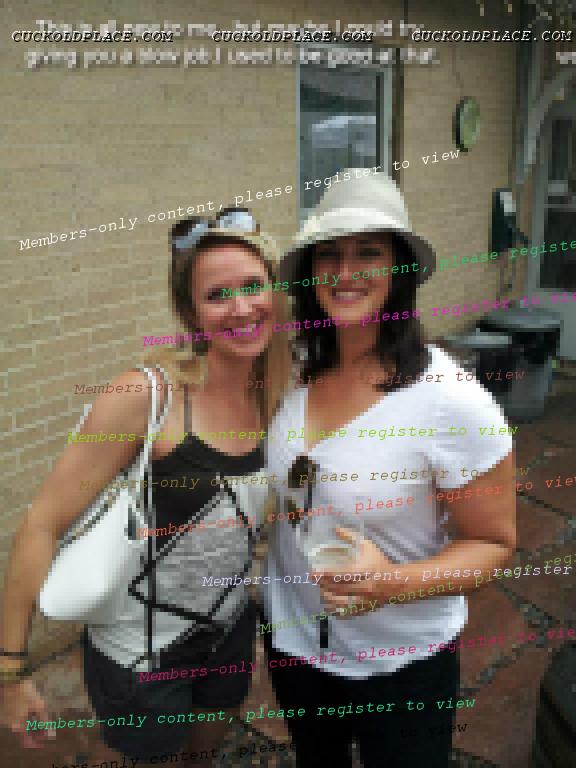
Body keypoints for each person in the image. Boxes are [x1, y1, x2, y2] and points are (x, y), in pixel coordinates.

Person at [0, 209, 291, 765]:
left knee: (204, 751)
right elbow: (42, 522)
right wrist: (10, 672)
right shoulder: (146, 396)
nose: (241, 308)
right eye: (217, 295)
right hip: (141, 655)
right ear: (190, 312)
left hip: (228, 633)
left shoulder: (275, 393)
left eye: (253, 286)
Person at [262, 171, 516, 768]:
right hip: (295, 645)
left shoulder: (451, 400)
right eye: (330, 255)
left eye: (369, 253)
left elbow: (494, 543)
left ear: (400, 270)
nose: (345, 272)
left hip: (402, 663)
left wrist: (392, 583)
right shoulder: (292, 372)